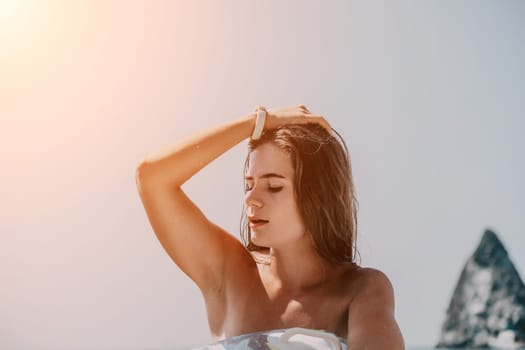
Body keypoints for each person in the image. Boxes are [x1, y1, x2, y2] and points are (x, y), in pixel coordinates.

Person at [135, 105, 404, 349]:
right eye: (248, 184)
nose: (251, 198)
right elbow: (152, 178)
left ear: (317, 195)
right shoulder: (230, 274)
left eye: (273, 186)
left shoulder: (361, 289)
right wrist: (258, 121)